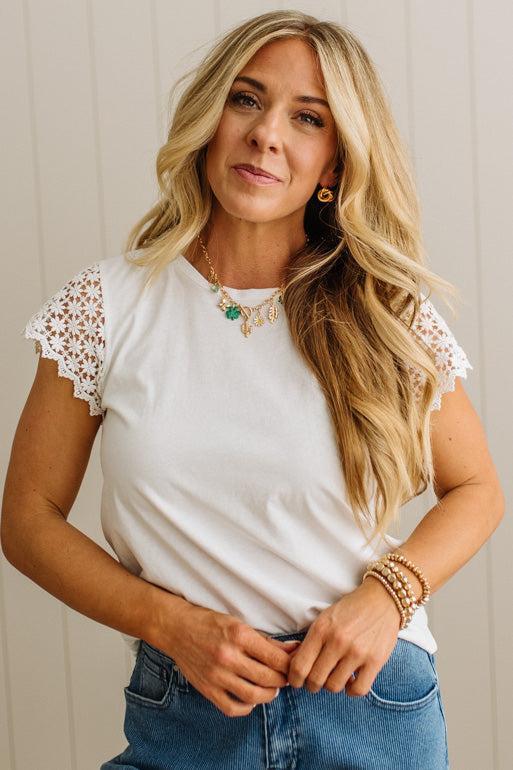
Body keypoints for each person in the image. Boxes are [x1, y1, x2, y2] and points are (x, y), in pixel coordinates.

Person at [1, 10, 504, 770]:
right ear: (210, 119)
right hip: (188, 709)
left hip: (369, 709)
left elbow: (476, 490)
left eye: (308, 118)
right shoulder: (106, 306)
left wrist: (388, 596)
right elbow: (27, 519)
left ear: (334, 164)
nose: (267, 134)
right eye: (246, 99)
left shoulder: (383, 311)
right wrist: (169, 625)